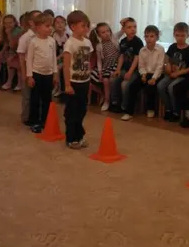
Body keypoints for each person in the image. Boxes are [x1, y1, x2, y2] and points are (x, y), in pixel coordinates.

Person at [62, 10, 92, 150]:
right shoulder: (70, 43)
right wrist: (67, 84)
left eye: (86, 26)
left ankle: (79, 135)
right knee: (72, 112)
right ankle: (71, 138)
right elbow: (66, 66)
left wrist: (89, 79)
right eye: (83, 26)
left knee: (82, 110)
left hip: (84, 82)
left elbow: (88, 62)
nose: (86, 28)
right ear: (73, 27)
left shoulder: (87, 42)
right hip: (73, 83)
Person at [25, 13, 58, 133]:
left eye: (51, 26)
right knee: (35, 99)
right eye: (47, 26)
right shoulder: (33, 42)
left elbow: (53, 58)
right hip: (36, 74)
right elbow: (29, 59)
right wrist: (29, 76)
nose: (50, 28)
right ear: (38, 27)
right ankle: (34, 121)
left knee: (47, 99)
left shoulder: (52, 41)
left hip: (48, 75)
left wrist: (55, 74)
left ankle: (45, 120)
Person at [124, 25, 165, 121]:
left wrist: (154, 78)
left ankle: (150, 108)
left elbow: (160, 66)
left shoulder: (160, 49)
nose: (149, 39)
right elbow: (141, 66)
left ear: (157, 37)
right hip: (145, 74)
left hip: (157, 74)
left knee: (150, 86)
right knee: (132, 86)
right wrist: (143, 74)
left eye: (152, 36)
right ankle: (129, 112)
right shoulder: (142, 50)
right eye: (146, 36)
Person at [158, 22, 189, 122]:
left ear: (187, 35)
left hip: (182, 76)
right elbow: (167, 59)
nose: (180, 38)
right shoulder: (172, 47)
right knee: (160, 86)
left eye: (182, 35)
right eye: (177, 35)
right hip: (170, 74)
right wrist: (167, 66)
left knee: (171, 88)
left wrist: (178, 73)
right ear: (174, 35)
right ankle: (168, 109)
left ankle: (176, 111)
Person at [109, 17, 143, 113]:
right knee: (114, 79)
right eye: (129, 27)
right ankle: (115, 103)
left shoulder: (138, 41)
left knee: (125, 85)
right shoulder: (123, 41)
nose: (133, 29)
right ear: (123, 29)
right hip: (124, 69)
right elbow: (121, 56)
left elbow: (137, 58)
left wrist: (130, 72)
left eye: (135, 27)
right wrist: (118, 70)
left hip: (134, 71)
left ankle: (125, 106)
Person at [17, 10, 40, 124]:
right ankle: (26, 117)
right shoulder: (25, 37)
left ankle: (36, 116)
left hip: (38, 69)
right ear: (31, 22)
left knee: (36, 95)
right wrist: (24, 73)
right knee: (27, 96)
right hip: (28, 69)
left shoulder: (41, 36)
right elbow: (21, 56)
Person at [94, 22, 120, 111]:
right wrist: (100, 72)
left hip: (116, 64)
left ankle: (109, 100)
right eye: (103, 32)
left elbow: (122, 30)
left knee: (109, 79)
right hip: (106, 65)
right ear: (99, 35)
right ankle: (106, 99)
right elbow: (99, 60)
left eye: (108, 31)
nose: (106, 33)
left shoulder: (114, 38)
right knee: (103, 79)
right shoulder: (99, 46)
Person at [0, 15, 23, 90]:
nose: (8, 25)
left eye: (10, 23)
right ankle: (9, 82)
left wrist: (9, 34)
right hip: (12, 51)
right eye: (5, 23)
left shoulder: (18, 31)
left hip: (20, 51)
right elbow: (6, 43)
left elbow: (13, 45)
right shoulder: (5, 30)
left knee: (15, 63)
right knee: (3, 59)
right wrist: (1, 52)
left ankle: (19, 84)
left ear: (15, 22)